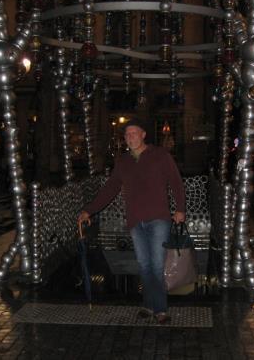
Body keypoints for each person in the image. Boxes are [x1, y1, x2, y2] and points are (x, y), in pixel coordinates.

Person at [77, 119, 185, 324]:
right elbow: (110, 189)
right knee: (144, 265)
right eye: (127, 134)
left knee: (156, 265)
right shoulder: (123, 162)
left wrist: (180, 209)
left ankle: (160, 309)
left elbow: (176, 182)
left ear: (143, 135)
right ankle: (148, 305)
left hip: (159, 219)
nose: (130, 137)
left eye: (134, 133)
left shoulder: (160, 155)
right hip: (136, 220)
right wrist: (89, 210)